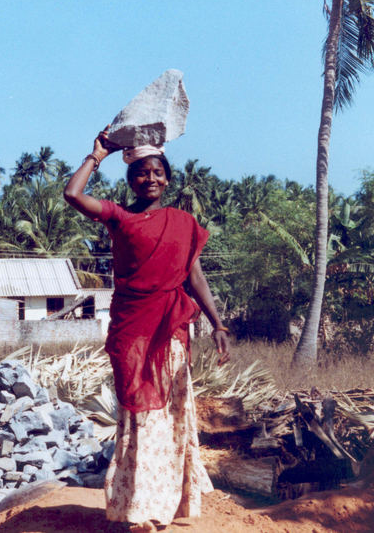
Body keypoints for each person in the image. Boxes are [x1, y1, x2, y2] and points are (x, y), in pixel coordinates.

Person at [64, 126, 230, 529]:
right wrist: (97, 155)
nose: (150, 179)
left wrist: (218, 322)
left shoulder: (183, 222)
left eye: (157, 172)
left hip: (170, 331)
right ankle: (136, 504)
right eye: (142, 173)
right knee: (138, 416)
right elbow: (73, 195)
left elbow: (196, 277)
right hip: (132, 333)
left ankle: (163, 505)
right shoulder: (119, 217)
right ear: (131, 180)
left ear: (168, 178)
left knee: (170, 415)